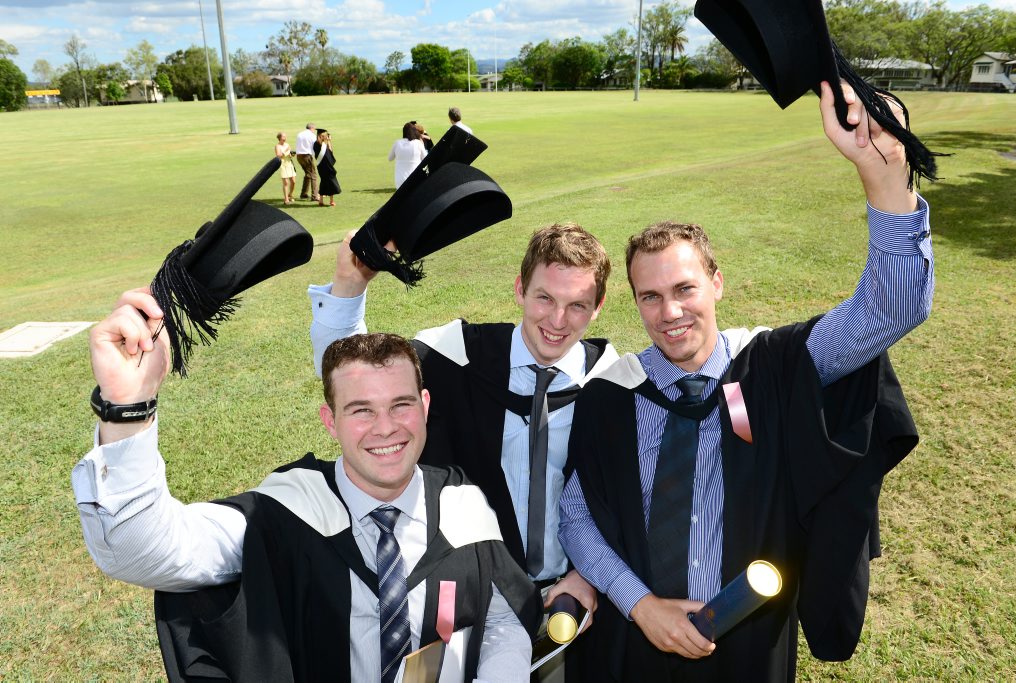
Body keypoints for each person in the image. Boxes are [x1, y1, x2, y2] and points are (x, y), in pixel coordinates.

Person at [557, 81, 934, 681]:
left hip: (751, 644)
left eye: (685, 290)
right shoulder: (612, 395)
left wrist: (884, 179)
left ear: (718, 284)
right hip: (635, 648)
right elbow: (577, 513)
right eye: (649, 297)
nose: (670, 312)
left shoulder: (776, 366)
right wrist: (639, 604)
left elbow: (891, 310)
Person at [72, 290, 539, 681]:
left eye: (401, 405)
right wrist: (128, 408)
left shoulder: (462, 505)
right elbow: (140, 549)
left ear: (425, 405)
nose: (386, 428)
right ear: (329, 422)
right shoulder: (286, 513)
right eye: (360, 410)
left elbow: (502, 616)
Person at [309, 224, 620, 676]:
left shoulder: (615, 387)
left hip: (573, 604)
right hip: (470, 599)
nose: (557, 321)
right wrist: (348, 288)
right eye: (544, 298)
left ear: (598, 309)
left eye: (578, 306)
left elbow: (631, 503)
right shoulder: (455, 360)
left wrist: (590, 574)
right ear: (519, 289)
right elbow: (355, 370)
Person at [387, 122, 428, 189]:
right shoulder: (418, 143)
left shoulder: (397, 143)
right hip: (415, 178)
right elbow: (425, 158)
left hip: (400, 179)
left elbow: (390, 158)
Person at [314, 128, 341, 207]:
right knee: (325, 182)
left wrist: (329, 141)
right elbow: (320, 151)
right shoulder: (316, 144)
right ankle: (323, 200)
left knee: (329, 182)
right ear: (319, 136)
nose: (325, 137)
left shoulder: (325, 143)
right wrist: (323, 139)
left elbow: (330, 151)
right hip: (322, 166)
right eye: (323, 135)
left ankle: (329, 201)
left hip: (329, 166)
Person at [295, 122, 319, 202]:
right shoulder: (312, 135)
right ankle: (315, 196)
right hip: (307, 156)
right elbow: (315, 146)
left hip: (299, 156)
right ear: (312, 128)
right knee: (313, 175)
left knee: (308, 174)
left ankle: (304, 193)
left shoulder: (300, 134)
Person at [275, 131, 296, 204]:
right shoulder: (277, 146)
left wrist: (292, 154)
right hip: (283, 165)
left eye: (285, 136)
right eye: (283, 137)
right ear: (279, 138)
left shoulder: (287, 144)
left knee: (293, 181)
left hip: (289, 164)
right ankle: (286, 199)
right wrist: (286, 150)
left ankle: (290, 195)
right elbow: (278, 156)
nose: (285, 138)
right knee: (286, 183)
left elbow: (289, 154)